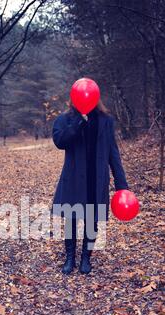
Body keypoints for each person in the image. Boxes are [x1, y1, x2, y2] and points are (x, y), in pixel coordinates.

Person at [51, 96, 129, 275]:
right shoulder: (66, 119)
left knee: (92, 220)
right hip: (74, 177)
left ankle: (86, 258)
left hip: (97, 177)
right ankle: (70, 258)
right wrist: (78, 122)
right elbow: (60, 142)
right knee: (71, 218)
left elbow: (113, 153)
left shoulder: (106, 120)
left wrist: (121, 186)